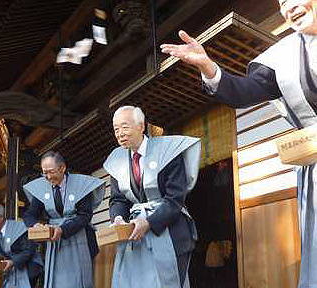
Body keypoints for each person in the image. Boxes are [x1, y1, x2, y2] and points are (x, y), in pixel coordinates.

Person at [161, 0, 317, 287]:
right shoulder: (282, 57)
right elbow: (241, 92)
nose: (289, 6)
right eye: (282, 2)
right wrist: (208, 66)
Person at [103, 106, 201, 288]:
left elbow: (175, 198)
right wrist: (118, 218)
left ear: (141, 126)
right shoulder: (117, 161)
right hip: (135, 235)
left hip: (170, 231)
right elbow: (118, 199)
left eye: (125, 127)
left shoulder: (168, 151)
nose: (120, 134)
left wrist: (149, 222)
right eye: (116, 129)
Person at [23, 151, 105, 288]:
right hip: (53, 241)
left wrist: (62, 229)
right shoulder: (42, 186)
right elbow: (30, 214)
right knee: (56, 280)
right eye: (44, 173)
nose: (48, 177)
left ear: (62, 168)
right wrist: (36, 225)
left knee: (79, 280)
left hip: (78, 235)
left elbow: (85, 216)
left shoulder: (81, 184)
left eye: (51, 172)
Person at [0, 204, 43, 288]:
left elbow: (29, 250)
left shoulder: (17, 229)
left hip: (28, 267)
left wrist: (12, 262)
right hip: (11, 269)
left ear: (0, 218)